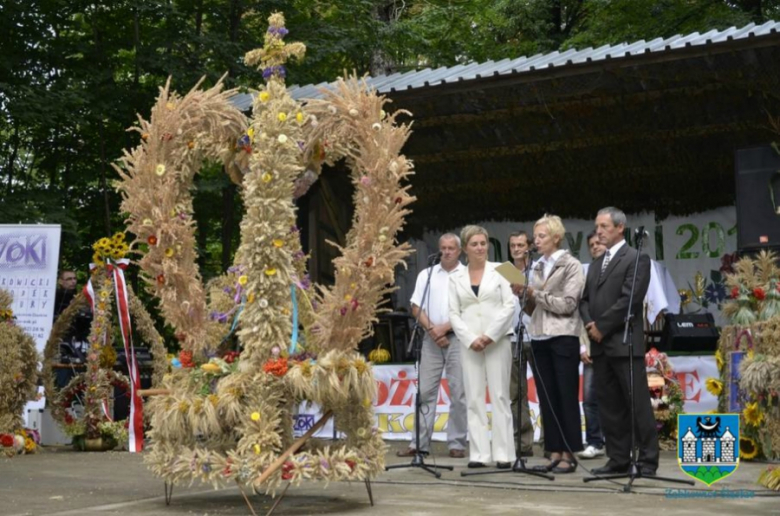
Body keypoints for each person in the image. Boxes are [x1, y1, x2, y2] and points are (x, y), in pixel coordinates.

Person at [579, 207, 659, 477]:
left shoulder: (636, 259)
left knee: (636, 405)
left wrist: (602, 326)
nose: (599, 231)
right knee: (610, 407)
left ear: (619, 228)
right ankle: (618, 459)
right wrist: (591, 325)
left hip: (624, 346)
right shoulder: (595, 263)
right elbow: (584, 300)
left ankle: (647, 460)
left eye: (604, 226)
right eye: (597, 226)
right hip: (600, 347)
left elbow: (630, 300)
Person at [516, 214, 584, 474]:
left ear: (556, 237)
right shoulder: (536, 266)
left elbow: (568, 305)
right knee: (547, 398)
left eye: (542, 236)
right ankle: (554, 450)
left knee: (566, 396)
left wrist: (536, 294)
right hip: (539, 336)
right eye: (536, 236)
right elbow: (536, 309)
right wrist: (524, 295)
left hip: (564, 336)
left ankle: (569, 453)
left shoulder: (571, 265)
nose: (537, 241)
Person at [449, 225, 516, 468]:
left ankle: (504, 454)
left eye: (483, 243)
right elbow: (453, 313)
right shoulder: (454, 277)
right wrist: (470, 338)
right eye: (474, 244)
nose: (480, 248)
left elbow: (509, 306)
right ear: (465, 248)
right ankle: (479, 454)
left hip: (497, 340)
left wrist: (489, 335)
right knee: (474, 397)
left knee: (500, 396)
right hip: (469, 343)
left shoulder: (502, 270)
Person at [397, 234, 468, 459]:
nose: (447, 252)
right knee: (425, 391)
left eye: (451, 248)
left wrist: (445, 328)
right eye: (443, 248)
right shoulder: (426, 275)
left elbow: (470, 310)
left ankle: (456, 443)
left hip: (457, 338)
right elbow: (415, 306)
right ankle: (419, 443)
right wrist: (433, 330)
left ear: (460, 251)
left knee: (459, 393)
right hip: (430, 339)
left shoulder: (467, 275)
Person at [578, 231, 607, 460]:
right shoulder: (586, 274)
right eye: (591, 245)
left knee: (618, 397)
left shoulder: (620, 270)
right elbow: (580, 310)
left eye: (599, 243)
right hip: (591, 347)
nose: (595, 247)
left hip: (615, 345)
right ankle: (595, 442)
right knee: (589, 399)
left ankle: (622, 442)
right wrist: (582, 346)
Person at [507, 230, 535, 458]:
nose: (516, 249)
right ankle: (523, 443)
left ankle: (552, 441)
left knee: (546, 392)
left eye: (520, 245)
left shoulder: (537, 269)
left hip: (537, 335)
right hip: (512, 336)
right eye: (513, 245)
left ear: (529, 246)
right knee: (515, 393)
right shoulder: (503, 272)